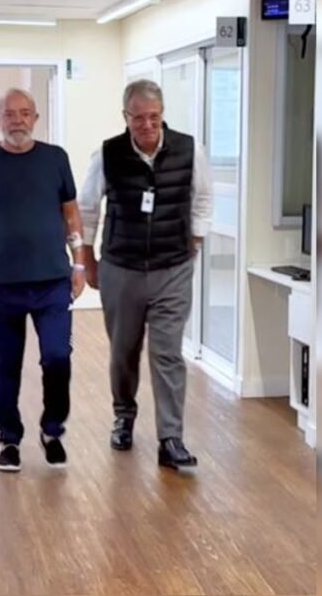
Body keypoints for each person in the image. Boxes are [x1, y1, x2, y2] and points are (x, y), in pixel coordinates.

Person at [0, 88, 85, 473]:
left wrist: (79, 264)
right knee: (4, 364)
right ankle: (9, 438)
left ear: (36, 118)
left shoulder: (55, 159)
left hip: (52, 281)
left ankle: (52, 431)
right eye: (9, 114)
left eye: (25, 113)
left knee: (57, 356)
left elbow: (71, 214)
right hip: (2, 282)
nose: (18, 120)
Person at [79, 79, 213, 471]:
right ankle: (124, 415)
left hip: (173, 268)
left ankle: (170, 438)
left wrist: (196, 238)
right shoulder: (108, 154)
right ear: (126, 117)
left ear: (162, 114)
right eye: (138, 118)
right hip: (122, 267)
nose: (147, 125)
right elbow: (88, 207)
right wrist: (87, 258)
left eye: (154, 117)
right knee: (124, 351)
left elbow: (203, 197)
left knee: (167, 352)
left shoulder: (190, 150)